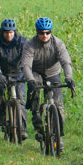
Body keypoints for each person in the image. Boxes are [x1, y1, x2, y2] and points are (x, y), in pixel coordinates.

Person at [21, 17, 74, 152]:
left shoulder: (58, 43)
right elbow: (26, 65)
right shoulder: (30, 45)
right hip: (36, 72)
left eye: (47, 32)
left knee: (59, 106)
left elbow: (66, 62)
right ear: (37, 32)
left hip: (53, 72)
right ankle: (37, 120)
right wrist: (30, 80)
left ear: (51, 32)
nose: (44, 35)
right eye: (41, 32)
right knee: (35, 93)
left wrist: (69, 78)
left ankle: (59, 138)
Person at [0, 19, 28, 140]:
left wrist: (25, 71)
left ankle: (22, 129)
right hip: (1, 72)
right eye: (6, 32)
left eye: (11, 32)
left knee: (20, 99)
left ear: (14, 31)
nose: (8, 35)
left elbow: (26, 57)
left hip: (17, 72)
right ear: (2, 31)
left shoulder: (22, 40)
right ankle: (1, 118)